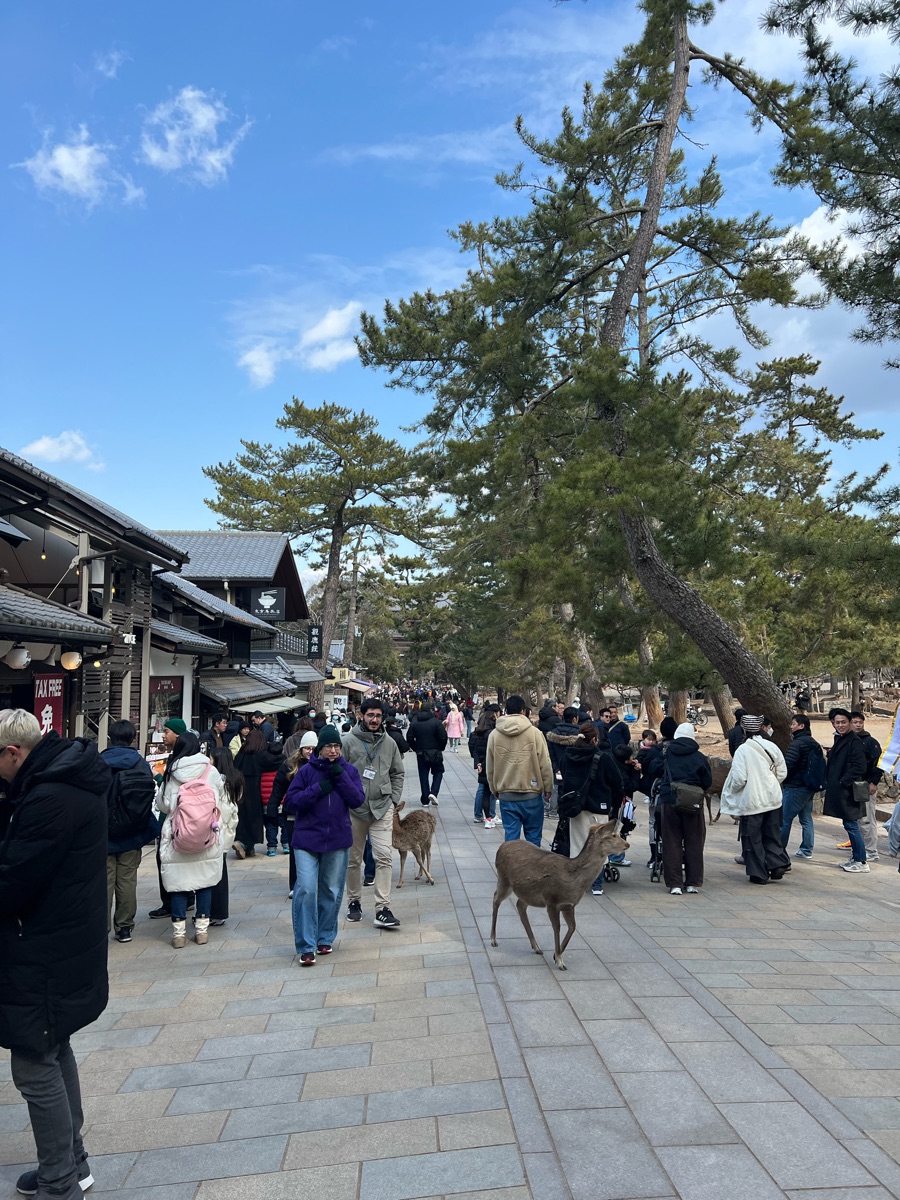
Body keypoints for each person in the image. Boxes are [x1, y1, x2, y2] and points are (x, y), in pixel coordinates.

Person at [0, 710, 110, 1200]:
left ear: (13, 752)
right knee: (53, 1046)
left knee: (33, 1062)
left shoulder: (49, 796)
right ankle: (71, 1162)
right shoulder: (63, 779)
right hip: (63, 943)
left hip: (43, 949)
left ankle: (60, 1183)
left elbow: (14, 882)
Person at [284, 727, 365, 965]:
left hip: (337, 840)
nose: (333, 750)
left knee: (330, 890)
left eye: (336, 746)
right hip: (307, 840)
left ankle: (324, 937)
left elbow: (357, 800)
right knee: (307, 889)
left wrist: (340, 778)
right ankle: (306, 946)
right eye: (329, 746)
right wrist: (319, 788)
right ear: (320, 749)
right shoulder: (306, 772)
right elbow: (291, 802)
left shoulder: (348, 770)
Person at [156, 732, 237, 947]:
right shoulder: (211, 771)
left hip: (178, 836)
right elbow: (220, 802)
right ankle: (201, 932)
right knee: (204, 883)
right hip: (206, 835)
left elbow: (163, 805)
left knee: (179, 885)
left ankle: (179, 935)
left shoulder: (171, 772)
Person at [341, 698, 405, 929]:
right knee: (353, 859)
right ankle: (353, 901)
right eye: (370, 715)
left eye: (378, 716)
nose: (374, 719)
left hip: (382, 808)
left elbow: (398, 773)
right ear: (362, 715)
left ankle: (383, 908)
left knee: (384, 856)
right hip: (354, 809)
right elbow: (338, 772)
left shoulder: (389, 743)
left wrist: (393, 800)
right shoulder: (348, 741)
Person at [102, 718, 158, 943]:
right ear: (132, 738)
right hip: (133, 830)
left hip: (104, 832)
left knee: (104, 881)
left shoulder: (99, 763)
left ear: (110, 737)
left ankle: (101, 927)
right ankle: (124, 927)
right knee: (127, 880)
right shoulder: (140, 764)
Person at [555, 721, 624, 894]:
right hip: (598, 808)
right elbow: (617, 783)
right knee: (598, 845)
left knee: (578, 846)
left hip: (575, 809)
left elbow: (563, 780)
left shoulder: (567, 756)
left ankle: (577, 881)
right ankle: (596, 884)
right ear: (594, 740)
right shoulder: (603, 758)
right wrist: (615, 806)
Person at [721, 714, 790, 885]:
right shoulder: (772, 746)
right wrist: (770, 784)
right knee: (772, 833)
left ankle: (758, 873)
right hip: (773, 798)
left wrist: (733, 792)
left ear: (744, 730)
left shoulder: (743, 750)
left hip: (752, 801)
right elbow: (782, 772)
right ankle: (777, 864)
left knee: (753, 837)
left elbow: (739, 778)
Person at [648, 720, 712, 895]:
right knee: (694, 842)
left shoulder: (666, 753)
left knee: (671, 842)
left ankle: (675, 884)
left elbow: (653, 769)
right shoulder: (699, 757)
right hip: (693, 802)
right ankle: (692, 882)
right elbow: (707, 781)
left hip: (670, 800)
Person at [485, 695, 553, 847]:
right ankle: (532, 862)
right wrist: (548, 786)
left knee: (511, 839)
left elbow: (490, 766)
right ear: (523, 711)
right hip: (532, 793)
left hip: (506, 793)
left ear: (506, 710)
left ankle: (511, 862)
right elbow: (545, 763)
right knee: (533, 838)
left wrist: (494, 788)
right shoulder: (535, 733)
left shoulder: (495, 735)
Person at [269, 731, 318, 899]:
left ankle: (312, 883)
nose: (310, 751)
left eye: (313, 748)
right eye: (307, 748)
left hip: (315, 815)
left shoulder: (321, 765)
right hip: (293, 815)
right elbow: (278, 789)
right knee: (295, 850)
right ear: (301, 748)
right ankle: (295, 884)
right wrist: (272, 809)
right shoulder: (289, 765)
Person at [825, 708, 869, 873]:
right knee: (849, 824)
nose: (840, 725)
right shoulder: (841, 739)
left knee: (852, 825)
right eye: (837, 722)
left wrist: (843, 781)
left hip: (848, 791)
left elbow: (860, 766)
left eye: (843, 722)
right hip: (841, 790)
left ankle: (861, 861)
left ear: (850, 722)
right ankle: (856, 857)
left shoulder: (854, 742)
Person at [207, 747, 243, 926]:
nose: (209, 761)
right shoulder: (236, 778)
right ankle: (214, 911)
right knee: (218, 870)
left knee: (217, 872)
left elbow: (225, 809)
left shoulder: (221, 781)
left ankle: (217, 912)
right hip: (227, 830)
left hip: (218, 829)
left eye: (211, 758)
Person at [233, 729, 282, 858]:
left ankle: (245, 845)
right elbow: (276, 761)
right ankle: (245, 845)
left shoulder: (240, 754)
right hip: (255, 791)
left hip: (240, 791)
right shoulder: (261, 755)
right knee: (254, 819)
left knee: (242, 818)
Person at [780, 714, 822, 860]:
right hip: (809, 785)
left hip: (795, 786)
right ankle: (807, 849)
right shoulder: (813, 743)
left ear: (801, 726)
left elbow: (789, 765)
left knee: (784, 819)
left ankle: (778, 851)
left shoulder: (797, 744)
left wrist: (783, 778)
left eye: (793, 724)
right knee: (806, 818)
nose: (791, 727)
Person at [851, 711, 884, 862]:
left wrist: (874, 782)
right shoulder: (848, 740)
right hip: (853, 784)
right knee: (856, 819)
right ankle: (860, 847)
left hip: (866, 784)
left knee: (867, 818)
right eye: (855, 722)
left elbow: (878, 763)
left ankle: (871, 850)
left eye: (860, 722)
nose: (858, 725)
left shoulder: (871, 742)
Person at [406, 702, 448, 806]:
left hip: (421, 752)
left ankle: (425, 799)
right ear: (430, 709)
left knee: (423, 775)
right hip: (435, 751)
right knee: (438, 772)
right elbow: (443, 736)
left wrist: (416, 748)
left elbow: (409, 737)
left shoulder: (415, 722)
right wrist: (440, 747)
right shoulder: (436, 722)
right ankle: (433, 792)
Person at [469, 707, 498, 826]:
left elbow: (475, 750)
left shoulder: (477, 734)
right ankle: (491, 815)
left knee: (485, 792)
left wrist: (478, 763)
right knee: (492, 792)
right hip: (491, 766)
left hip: (482, 767)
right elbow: (492, 753)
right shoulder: (492, 734)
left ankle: (488, 819)